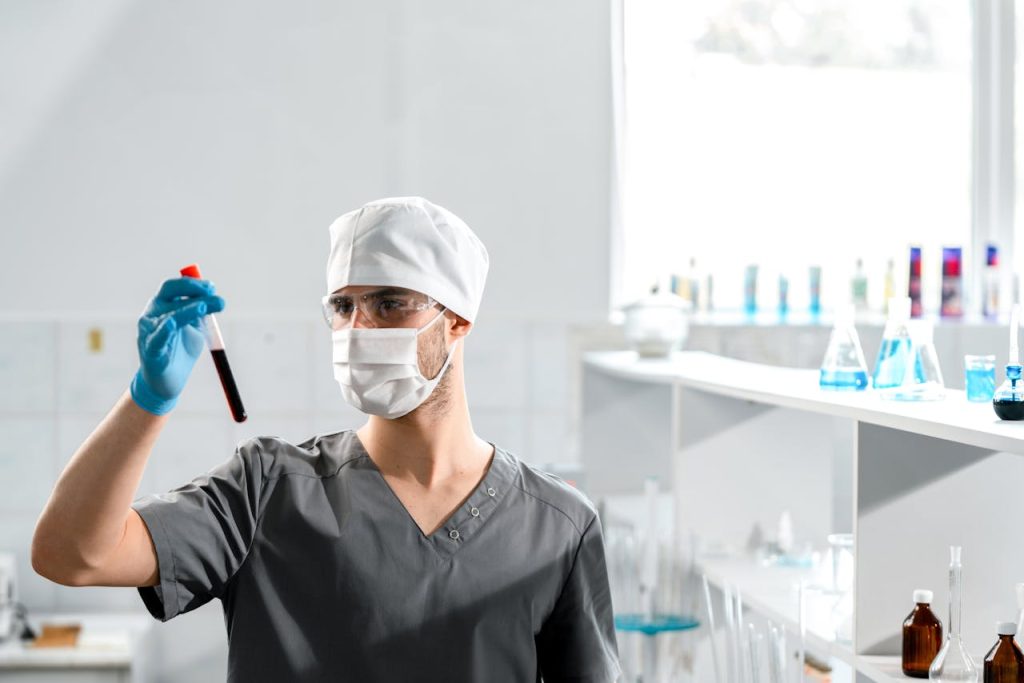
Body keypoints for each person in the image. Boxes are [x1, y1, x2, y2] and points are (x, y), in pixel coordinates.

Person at [31, 196, 621, 682]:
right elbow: (71, 555)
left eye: (389, 304)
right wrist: (147, 399)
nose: (359, 329)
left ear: (457, 320)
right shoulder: (266, 489)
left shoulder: (557, 526)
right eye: (343, 307)